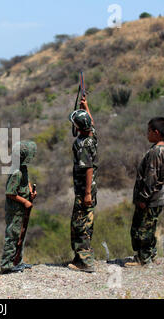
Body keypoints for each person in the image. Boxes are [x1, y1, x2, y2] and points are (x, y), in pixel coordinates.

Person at [126, 117, 164, 267]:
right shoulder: (161, 149)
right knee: (150, 227)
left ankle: (143, 259)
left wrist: (143, 198)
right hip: (156, 198)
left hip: (150, 199)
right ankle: (150, 254)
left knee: (141, 229)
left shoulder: (155, 152)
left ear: (156, 132)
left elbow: (151, 178)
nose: (147, 134)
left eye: (149, 131)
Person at [67, 95, 97, 273]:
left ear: (78, 127)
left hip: (84, 190)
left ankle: (85, 262)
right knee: (86, 222)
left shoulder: (82, 144)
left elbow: (88, 168)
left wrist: (86, 194)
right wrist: (86, 107)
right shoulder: (91, 137)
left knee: (80, 225)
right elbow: (91, 124)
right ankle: (82, 258)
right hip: (91, 189)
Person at [0, 140, 37, 274]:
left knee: (21, 235)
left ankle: (17, 261)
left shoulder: (23, 168)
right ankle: (7, 265)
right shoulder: (16, 172)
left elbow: (26, 182)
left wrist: (30, 192)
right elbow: (10, 193)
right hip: (15, 210)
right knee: (13, 235)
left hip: (22, 210)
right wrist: (25, 201)